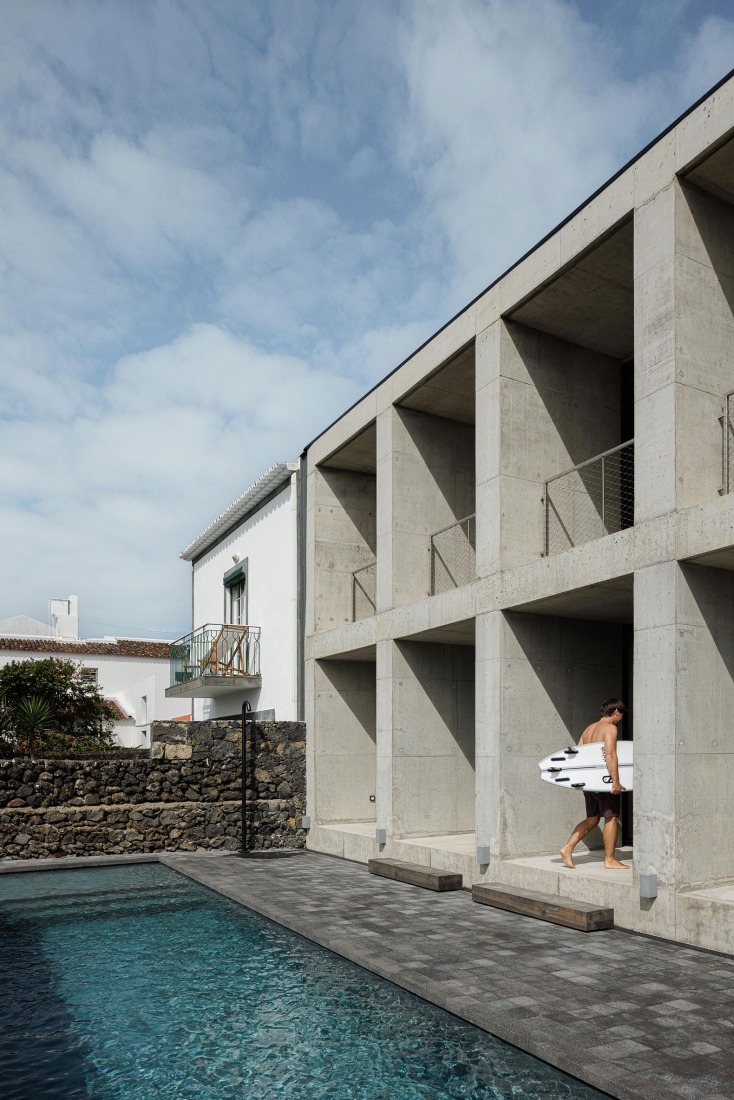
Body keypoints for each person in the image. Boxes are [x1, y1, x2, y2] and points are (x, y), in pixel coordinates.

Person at [560, 699, 628, 870]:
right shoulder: (610, 728)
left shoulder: (588, 729)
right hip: (604, 782)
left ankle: (567, 848)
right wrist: (616, 782)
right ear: (615, 712)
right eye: (621, 714)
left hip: (590, 782)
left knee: (592, 819)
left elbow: (579, 755)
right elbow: (611, 755)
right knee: (611, 817)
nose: (621, 718)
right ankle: (610, 859)